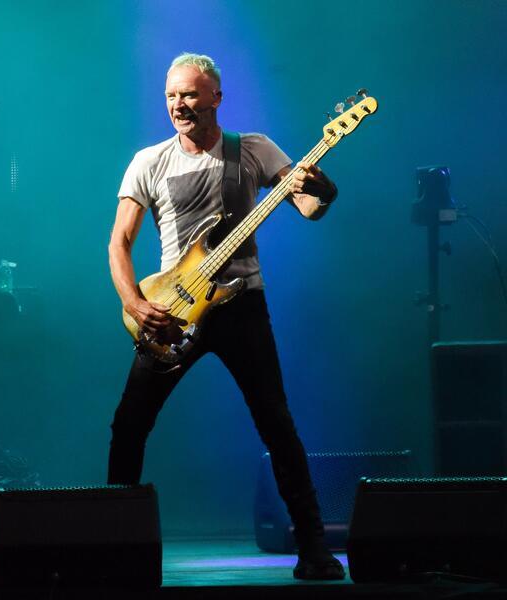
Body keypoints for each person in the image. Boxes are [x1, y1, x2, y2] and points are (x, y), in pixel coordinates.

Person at [107, 52, 345, 581]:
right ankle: (116, 548)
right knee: (129, 424)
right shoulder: (149, 161)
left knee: (276, 423)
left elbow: (307, 207)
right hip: (172, 309)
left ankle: (314, 549)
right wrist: (135, 304)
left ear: (216, 96)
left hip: (242, 305)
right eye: (171, 96)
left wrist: (324, 192)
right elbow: (118, 242)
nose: (178, 105)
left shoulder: (253, 149)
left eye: (189, 94)